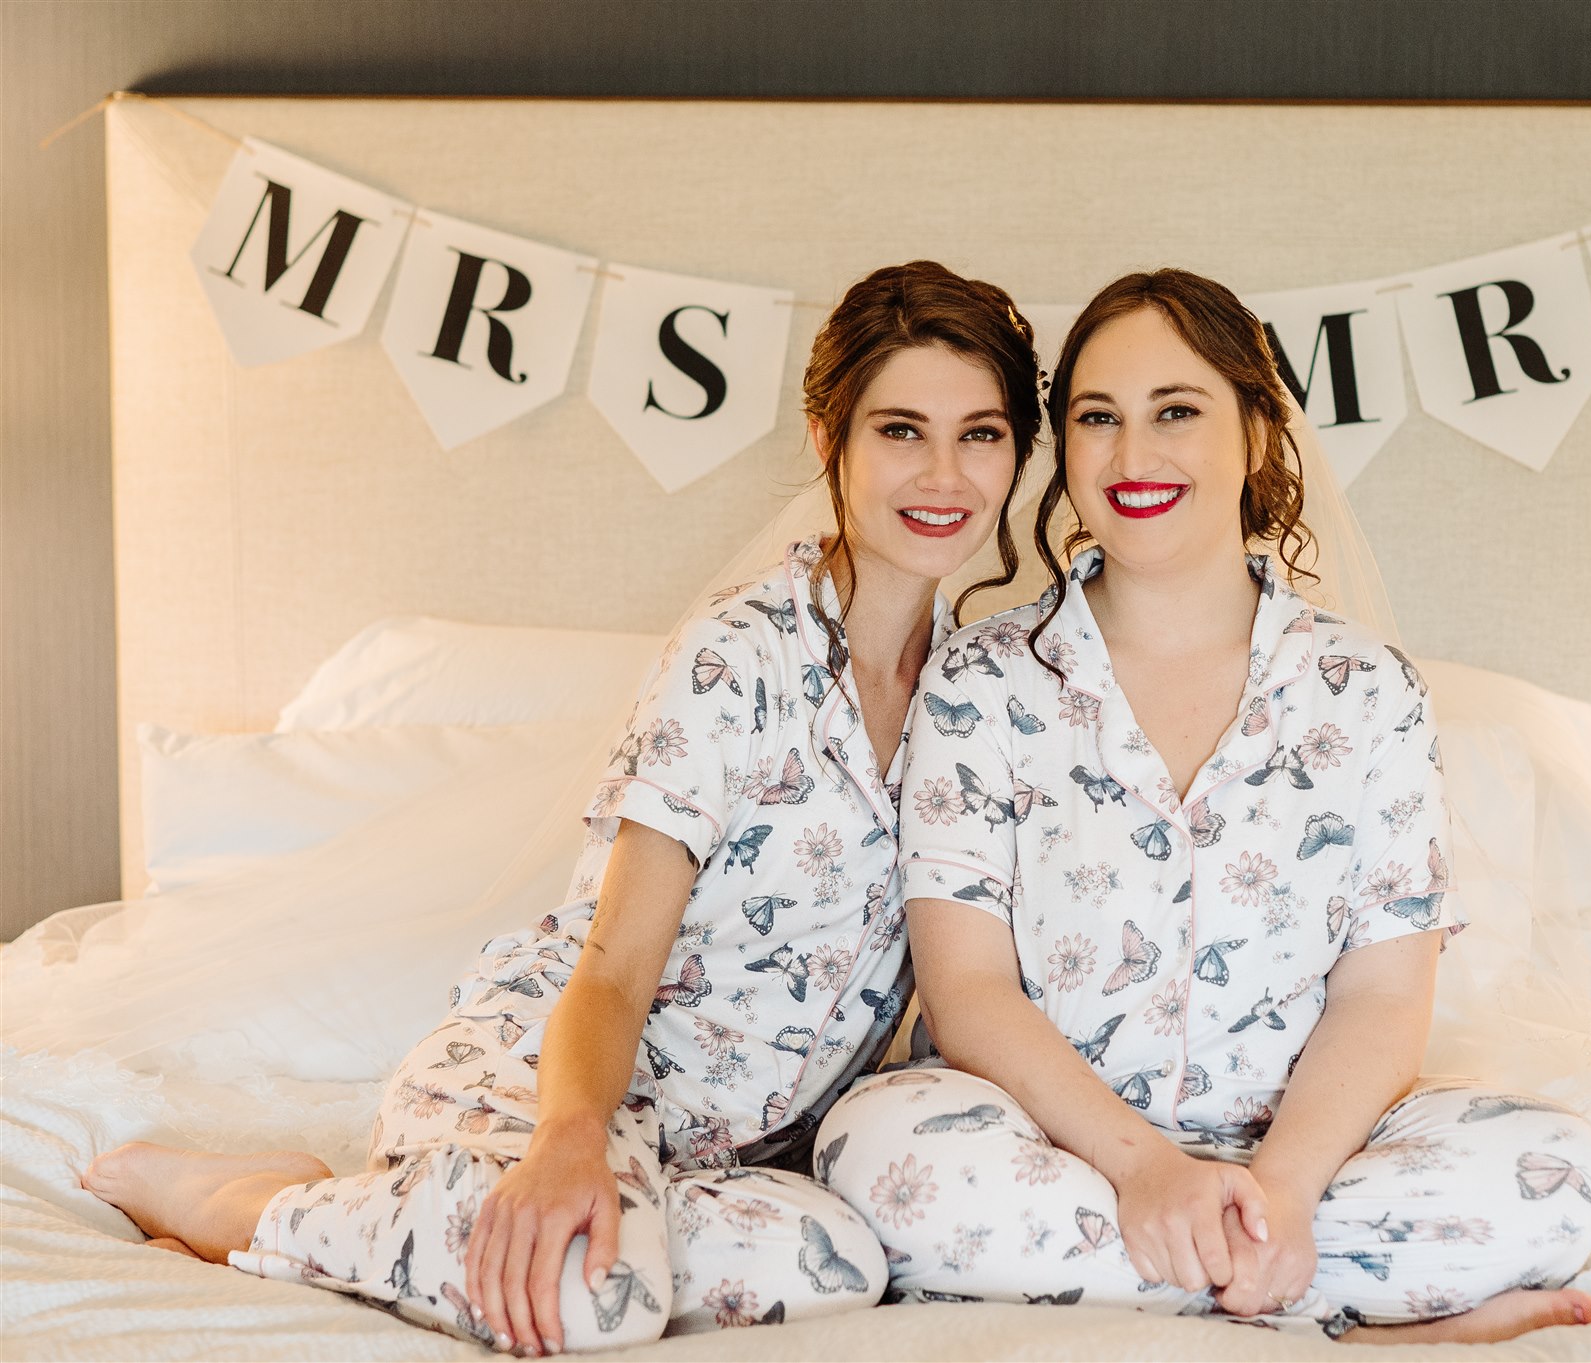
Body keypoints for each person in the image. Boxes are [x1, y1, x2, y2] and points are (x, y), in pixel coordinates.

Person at [82, 260, 1042, 1356]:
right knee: (597, 1301)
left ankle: (413, 1218)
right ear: (830, 441)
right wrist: (569, 1147)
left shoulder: (976, 699)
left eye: (981, 432)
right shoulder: (741, 657)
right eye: (900, 430)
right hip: (556, 1079)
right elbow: (614, 967)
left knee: (843, 1266)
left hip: (726, 1153)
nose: (944, 472)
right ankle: (251, 1208)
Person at [818, 269, 1591, 1344]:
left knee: (1557, 1176)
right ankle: (1325, 1306)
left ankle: (1233, 1255)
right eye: (1097, 419)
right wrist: (1146, 1172)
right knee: (875, 1155)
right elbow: (965, 990)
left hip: (1311, 1154)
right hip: (1059, 1151)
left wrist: (1281, 1188)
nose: (1132, 456)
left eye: (1175, 412)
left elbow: (1384, 997)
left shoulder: (1365, 689)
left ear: (1256, 430)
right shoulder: (981, 680)